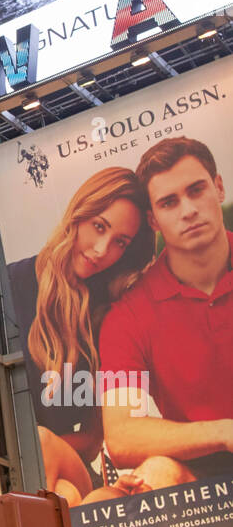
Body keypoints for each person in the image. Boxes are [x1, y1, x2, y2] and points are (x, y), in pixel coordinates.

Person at [8, 168, 155, 505]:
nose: (102, 250)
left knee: (44, 445)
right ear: (78, 213)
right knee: (64, 496)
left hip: (64, 462)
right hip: (19, 477)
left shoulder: (108, 313)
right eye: (99, 227)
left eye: (120, 242)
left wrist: (44, 445)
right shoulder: (9, 286)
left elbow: (91, 439)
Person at [98, 136, 233, 492]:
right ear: (153, 219)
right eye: (169, 202)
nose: (188, 210)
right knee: (156, 472)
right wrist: (225, 432)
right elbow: (122, 436)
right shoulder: (127, 315)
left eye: (196, 190)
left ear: (218, 188)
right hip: (205, 475)